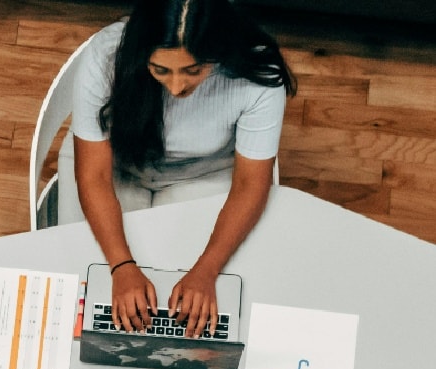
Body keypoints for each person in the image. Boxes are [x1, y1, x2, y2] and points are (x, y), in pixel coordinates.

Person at [71, 0, 296, 339]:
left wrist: (206, 269)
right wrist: (121, 265)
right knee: (93, 287)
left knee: (200, 297)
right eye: (161, 70)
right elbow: (94, 175)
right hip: (119, 168)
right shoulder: (104, 57)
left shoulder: (256, 75)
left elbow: (251, 183)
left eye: (193, 70)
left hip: (203, 174)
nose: (176, 88)